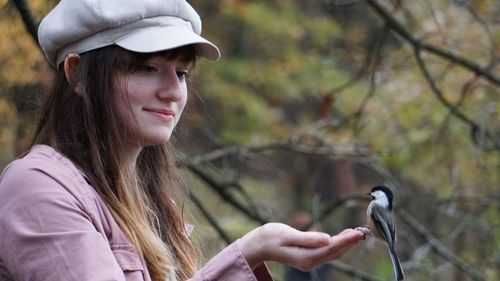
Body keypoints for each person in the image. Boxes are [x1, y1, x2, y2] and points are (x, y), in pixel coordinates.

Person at [0, 0, 369, 280]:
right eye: (147, 68)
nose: (173, 92)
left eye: (181, 72)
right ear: (78, 74)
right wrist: (244, 252)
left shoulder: (153, 204)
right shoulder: (37, 189)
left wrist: (256, 250)